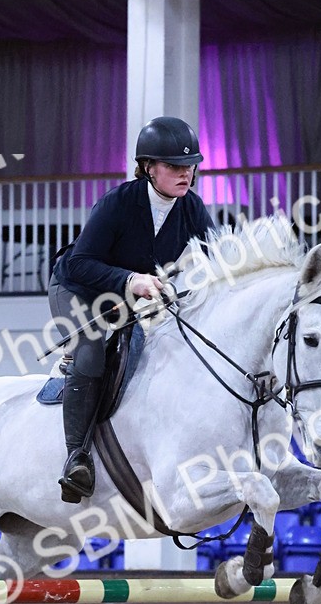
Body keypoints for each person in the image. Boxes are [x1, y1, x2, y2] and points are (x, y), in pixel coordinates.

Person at [49, 116, 216, 503]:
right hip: (77, 287)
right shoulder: (118, 202)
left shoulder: (191, 207)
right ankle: (76, 458)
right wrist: (131, 280)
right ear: (148, 167)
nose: (185, 173)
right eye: (174, 166)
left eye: (190, 166)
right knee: (91, 351)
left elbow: (217, 256)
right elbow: (80, 262)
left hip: (128, 298)